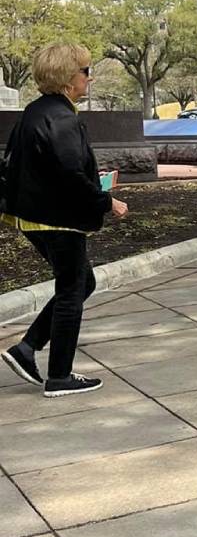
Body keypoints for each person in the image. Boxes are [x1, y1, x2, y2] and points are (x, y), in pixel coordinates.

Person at [1, 43, 128, 396]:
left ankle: (26, 349)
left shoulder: (35, 111)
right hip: (58, 218)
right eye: (85, 71)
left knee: (80, 282)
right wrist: (107, 201)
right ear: (68, 77)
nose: (90, 77)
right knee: (73, 289)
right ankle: (59, 376)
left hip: (34, 216)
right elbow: (70, 175)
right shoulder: (62, 118)